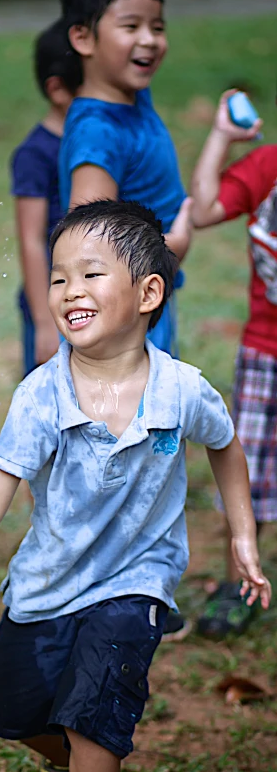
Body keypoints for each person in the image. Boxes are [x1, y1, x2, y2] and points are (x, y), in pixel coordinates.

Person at [0, 200, 271, 772]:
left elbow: (225, 444)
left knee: (92, 723)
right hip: (47, 584)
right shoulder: (41, 397)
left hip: (135, 585)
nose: (69, 290)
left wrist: (242, 536)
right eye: (59, 277)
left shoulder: (182, 391)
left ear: (148, 294)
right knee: (13, 715)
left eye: (90, 274)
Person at [58, 0, 193, 640]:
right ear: (83, 37)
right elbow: (88, 248)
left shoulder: (133, 104)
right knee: (115, 452)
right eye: (131, 25)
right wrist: (171, 248)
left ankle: (131, 585)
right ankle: (97, 593)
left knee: (146, 454)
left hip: (149, 315)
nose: (150, 40)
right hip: (124, 332)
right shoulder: (98, 129)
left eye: (158, 26)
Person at [191, 89, 275, 639]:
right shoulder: (269, 165)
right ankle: (237, 583)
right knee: (247, 479)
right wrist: (221, 135)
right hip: (264, 351)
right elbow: (200, 211)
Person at [12, 19, 82, 377]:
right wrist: (44, 323)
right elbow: (30, 239)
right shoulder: (35, 154)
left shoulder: (96, 142)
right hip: (49, 303)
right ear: (58, 90)